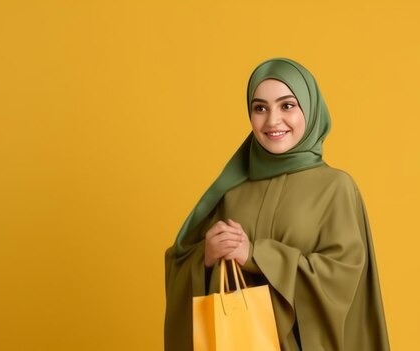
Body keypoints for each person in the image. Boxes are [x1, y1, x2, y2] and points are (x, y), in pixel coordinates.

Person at [164, 58, 390, 350]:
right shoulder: (232, 191)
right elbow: (180, 264)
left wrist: (256, 255)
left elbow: (343, 277)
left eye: (287, 105)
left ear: (309, 108)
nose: (272, 121)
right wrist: (205, 259)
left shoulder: (336, 187)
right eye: (260, 108)